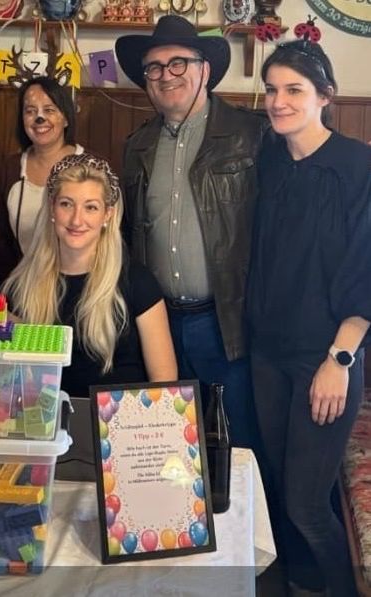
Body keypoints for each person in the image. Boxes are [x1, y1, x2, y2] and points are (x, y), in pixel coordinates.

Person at [246, 40, 371, 597]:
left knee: (306, 503)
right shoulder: (269, 160)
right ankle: (303, 585)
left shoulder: (357, 166)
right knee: (281, 485)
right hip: (265, 354)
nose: (279, 101)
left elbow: (365, 267)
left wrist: (339, 359)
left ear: (324, 96)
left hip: (324, 356)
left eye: (293, 90)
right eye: (272, 90)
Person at [115, 15, 268, 448]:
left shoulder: (251, 135)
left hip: (227, 322)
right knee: (167, 445)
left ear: (204, 69)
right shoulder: (137, 146)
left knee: (237, 446)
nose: (166, 76)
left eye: (178, 63)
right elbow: (127, 234)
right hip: (158, 322)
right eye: (155, 68)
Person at [2, 154, 177, 398]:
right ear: (52, 207)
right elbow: (8, 380)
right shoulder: (20, 286)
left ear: (107, 214)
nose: (77, 220)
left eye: (91, 207)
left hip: (120, 430)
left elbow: (164, 382)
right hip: (45, 426)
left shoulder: (138, 282)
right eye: (66, 204)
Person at [0, 76, 88, 289]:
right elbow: (1, 240)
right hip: (24, 288)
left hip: (82, 289)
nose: (39, 118)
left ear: (66, 118)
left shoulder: (94, 167)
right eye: (30, 111)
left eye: (49, 110)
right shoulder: (10, 169)